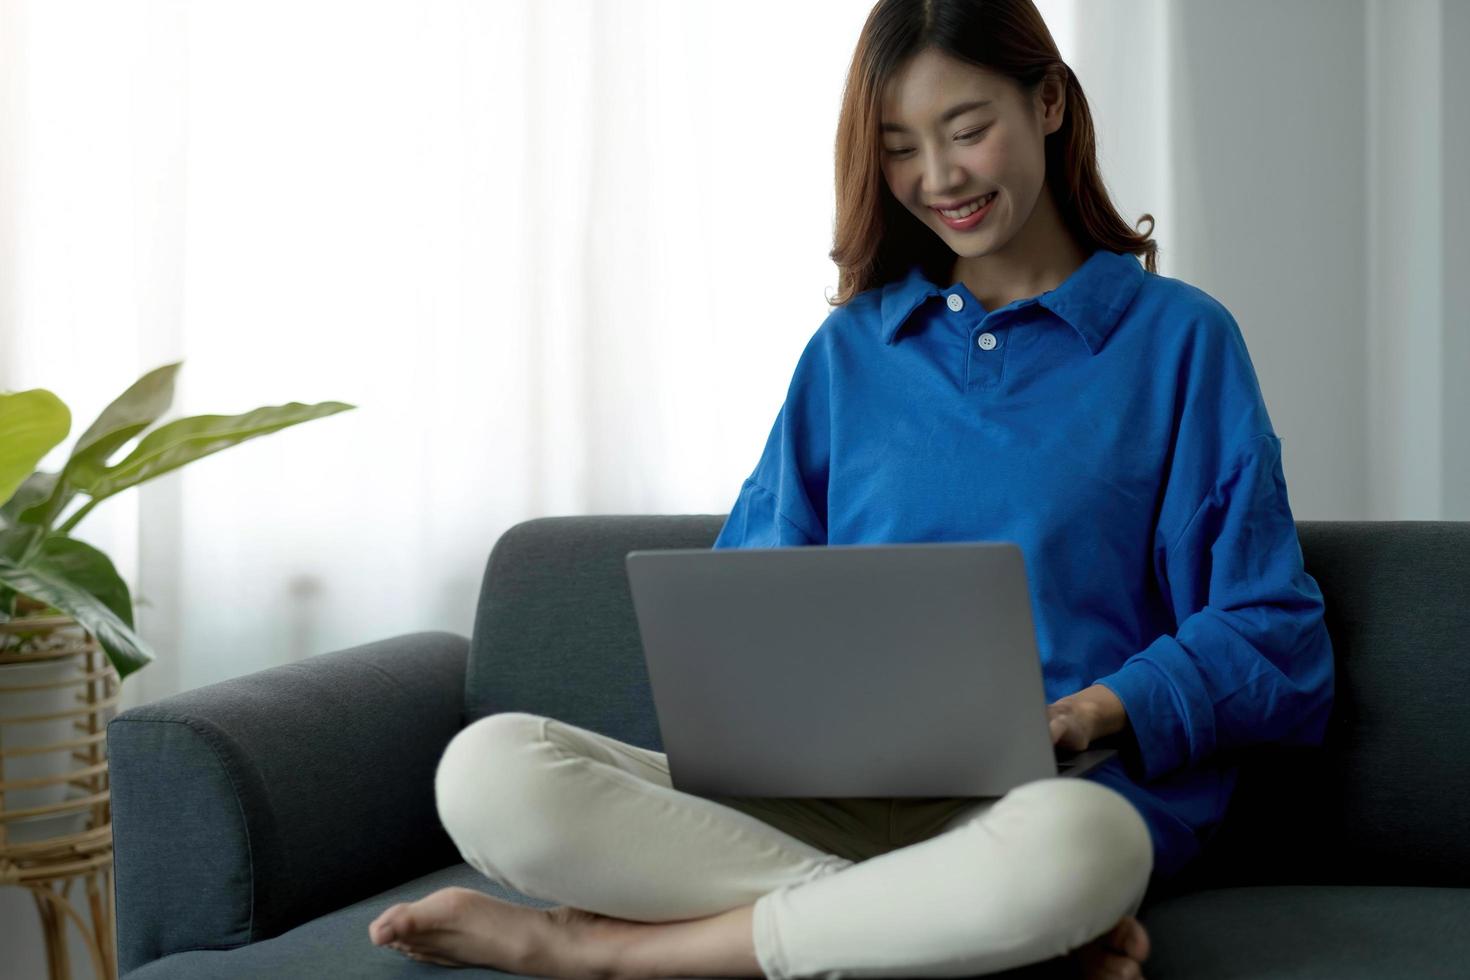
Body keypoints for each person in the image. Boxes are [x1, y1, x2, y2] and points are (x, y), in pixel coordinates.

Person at [367, 1, 1336, 977]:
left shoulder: (1179, 340)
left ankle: (608, 953)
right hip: (827, 791)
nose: (939, 176)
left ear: (1048, 102)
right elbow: (747, 598)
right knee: (489, 771)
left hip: (1048, 795)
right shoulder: (849, 352)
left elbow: (1272, 631)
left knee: (1085, 850)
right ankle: (969, 935)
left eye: (967, 130)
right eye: (901, 147)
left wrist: (1091, 709)